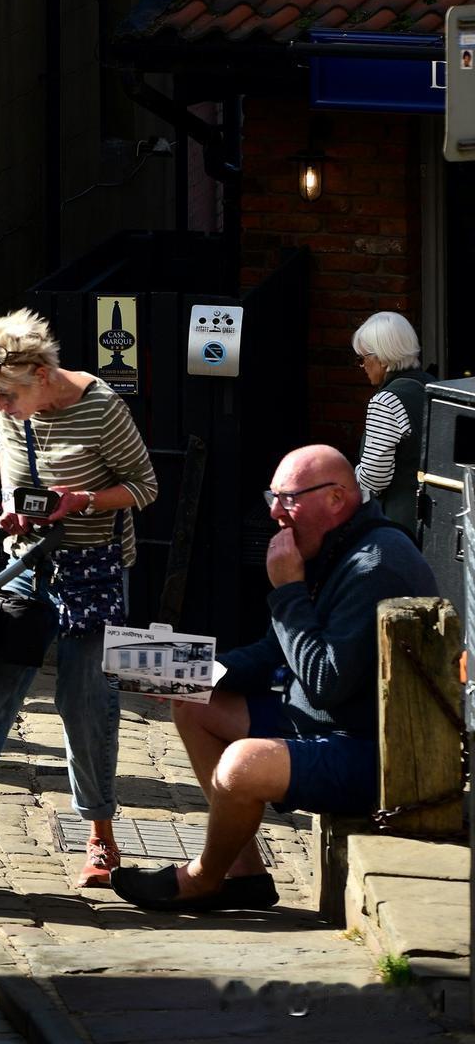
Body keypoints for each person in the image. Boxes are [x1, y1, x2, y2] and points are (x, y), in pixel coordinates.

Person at [113, 444, 438, 914]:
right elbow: (274, 651)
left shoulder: (373, 566)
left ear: (336, 498)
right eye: (274, 497)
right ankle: (243, 874)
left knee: (242, 765)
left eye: (288, 499)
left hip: (374, 751)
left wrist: (287, 591)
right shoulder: (333, 546)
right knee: (193, 703)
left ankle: (203, 880)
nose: (274, 512)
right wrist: (182, 671)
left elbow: (325, 682)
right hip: (323, 722)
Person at [0, 309, 158, 889]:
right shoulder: (6, 400)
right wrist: (14, 509)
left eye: (8, 395)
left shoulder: (102, 409)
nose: (0, 406)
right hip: (28, 565)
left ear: (42, 374)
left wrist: (83, 500)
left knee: (86, 702)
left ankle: (101, 839)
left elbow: (145, 487)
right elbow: (13, 475)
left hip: (94, 570)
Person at [352, 312, 428, 530]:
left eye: (362, 358)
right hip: (432, 517)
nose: (362, 366)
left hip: (398, 523)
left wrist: (351, 478)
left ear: (383, 358)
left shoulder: (385, 401)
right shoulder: (432, 385)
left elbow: (374, 478)